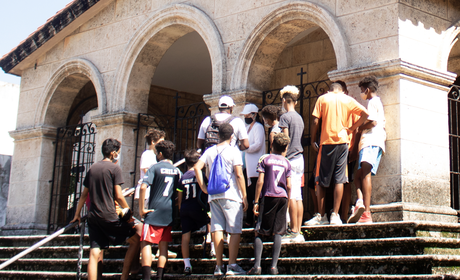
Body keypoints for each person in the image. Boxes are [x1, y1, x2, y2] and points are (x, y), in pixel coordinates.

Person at [70, 138, 142, 280]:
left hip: (94, 217)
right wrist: (128, 211)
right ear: (113, 152)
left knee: (94, 252)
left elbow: (84, 195)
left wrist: (77, 214)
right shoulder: (115, 169)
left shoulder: (92, 168)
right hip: (109, 215)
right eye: (118, 152)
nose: (118, 155)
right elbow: (119, 196)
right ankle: (124, 276)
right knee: (136, 239)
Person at [307, 83, 369, 226]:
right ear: (342, 90)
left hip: (326, 142)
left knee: (321, 180)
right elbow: (365, 113)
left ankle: (321, 216)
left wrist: (312, 139)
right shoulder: (347, 99)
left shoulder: (322, 99)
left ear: (329, 89)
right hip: (343, 143)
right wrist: (352, 128)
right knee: (340, 179)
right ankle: (335, 215)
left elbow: (315, 120)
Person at [194, 123, 248, 276]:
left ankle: (218, 266)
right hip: (231, 195)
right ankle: (231, 265)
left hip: (213, 196)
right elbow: (238, 174)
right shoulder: (233, 151)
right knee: (234, 230)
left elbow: (197, 167)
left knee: (217, 229)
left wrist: (204, 187)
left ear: (218, 135)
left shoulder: (209, 151)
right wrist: (244, 196)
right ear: (232, 136)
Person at [247, 133, 291, 275]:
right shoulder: (287, 163)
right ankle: (274, 267)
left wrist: (256, 201)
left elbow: (260, 181)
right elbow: (289, 185)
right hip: (282, 197)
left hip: (268, 195)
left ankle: (257, 266)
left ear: (271, 145)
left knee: (259, 230)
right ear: (285, 149)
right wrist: (288, 200)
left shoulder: (265, 160)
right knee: (278, 231)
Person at [139, 140, 181, 280]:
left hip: (154, 209)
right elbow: (179, 191)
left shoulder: (154, 168)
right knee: (164, 244)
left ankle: (146, 276)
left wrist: (142, 209)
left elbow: (144, 186)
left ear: (160, 154)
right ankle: (160, 276)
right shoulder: (177, 171)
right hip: (168, 210)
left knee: (146, 242)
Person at [347, 76, 386, 224]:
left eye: (362, 90)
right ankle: (360, 203)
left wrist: (357, 127)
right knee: (357, 177)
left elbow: (372, 122)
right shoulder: (378, 102)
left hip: (370, 141)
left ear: (367, 90)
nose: (362, 93)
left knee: (364, 175)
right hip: (373, 142)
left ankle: (367, 213)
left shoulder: (372, 102)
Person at [177, 149, 212, 275]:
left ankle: (187, 264)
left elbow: (179, 198)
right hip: (197, 207)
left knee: (185, 237)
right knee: (210, 221)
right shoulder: (200, 175)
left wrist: (181, 210)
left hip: (185, 208)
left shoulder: (183, 177)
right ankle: (211, 245)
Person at [278, 85, 304, 243]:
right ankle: (298, 229)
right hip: (300, 158)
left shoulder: (285, 117)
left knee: (291, 195)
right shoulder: (299, 118)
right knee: (298, 196)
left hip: (290, 158)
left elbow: (285, 140)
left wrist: (281, 157)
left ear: (284, 101)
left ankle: (293, 230)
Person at [335, 80, 361, 223]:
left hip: (348, 147)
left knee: (345, 181)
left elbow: (356, 128)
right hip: (335, 146)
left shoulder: (351, 103)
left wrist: (354, 148)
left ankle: (343, 214)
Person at [240, 103, 266, 227]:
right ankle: (249, 219)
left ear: (254, 115)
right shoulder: (247, 128)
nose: (246, 117)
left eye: (247, 115)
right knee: (249, 193)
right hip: (248, 167)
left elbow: (258, 144)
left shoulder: (258, 127)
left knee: (256, 194)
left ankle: (256, 220)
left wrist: (245, 148)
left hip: (256, 167)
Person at [134, 128, 165, 204]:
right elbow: (147, 171)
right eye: (160, 141)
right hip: (147, 191)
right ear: (153, 141)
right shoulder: (147, 154)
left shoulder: (154, 155)